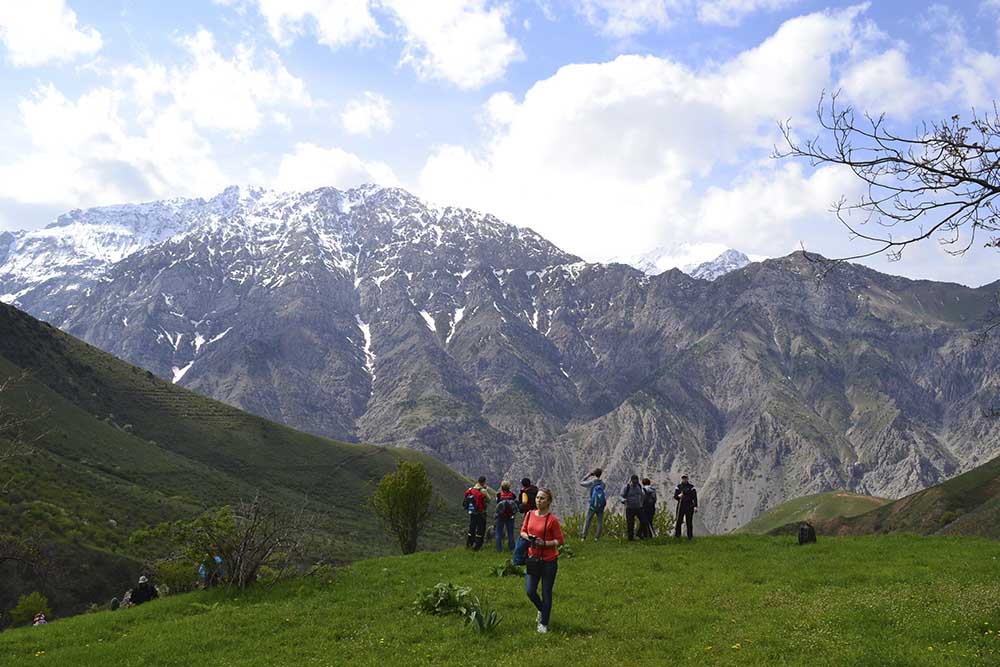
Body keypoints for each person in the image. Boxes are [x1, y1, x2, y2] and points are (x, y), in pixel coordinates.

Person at [520, 488, 564, 633]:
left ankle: (544, 623)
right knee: (530, 590)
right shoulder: (529, 514)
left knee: (546, 592)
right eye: (538, 498)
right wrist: (530, 538)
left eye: (542, 498)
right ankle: (542, 609)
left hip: (549, 560)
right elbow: (523, 531)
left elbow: (560, 540)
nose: (539, 501)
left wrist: (545, 543)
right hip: (533, 558)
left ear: (549, 502)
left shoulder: (552, 520)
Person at [579, 468, 607, 540]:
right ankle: (597, 537)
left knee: (588, 520)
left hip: (592, 505)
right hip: (600, 505)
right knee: (599, 521)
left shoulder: (592, 483)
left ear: (594, 474)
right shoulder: (603, 484)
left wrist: (588, 475)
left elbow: (581, 482)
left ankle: (584, 536)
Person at [464, 476, 489, 551]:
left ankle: (469, 544)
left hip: (472, 512)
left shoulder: (471, 489)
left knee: (472, 527)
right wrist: (486, 490)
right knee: (480, 528)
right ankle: (478, 546)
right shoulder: (483, 490)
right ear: (483, 482)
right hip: (481, 512)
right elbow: (489, 499)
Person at [619, 474, 647, 541]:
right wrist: (623, 500)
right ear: (631, 481)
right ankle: (630, 538)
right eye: (634, 482)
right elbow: (620, 496)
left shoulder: (639, 486)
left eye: (636, 482)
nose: (635, 484)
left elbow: (642, 495)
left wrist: (642, 503)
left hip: (639, 507)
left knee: (644, 521)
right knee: (630, 523)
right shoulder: (627, 487)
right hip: (629, 508)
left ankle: (639, 533)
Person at [494, 480, 518, 552]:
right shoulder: (513, 495)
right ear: (509, 487)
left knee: (498, 533)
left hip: (500, 516)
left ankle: (499, 550)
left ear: (501, 487)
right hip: (510, 516)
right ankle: (512, 549)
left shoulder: (499, 495)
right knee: (510, 533)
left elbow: (497, 504)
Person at [673, 474, 699, 540]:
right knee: (679, 521)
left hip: (689, 505)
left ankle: (690, 536)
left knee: (689, 522)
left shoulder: (691, 487)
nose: (684, 479)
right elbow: (675, 496)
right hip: (680, 505)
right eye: (683, 478)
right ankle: (677, 536)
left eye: (685, 478)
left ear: (687, 479)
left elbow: (694, 497)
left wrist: (695, 506)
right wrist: (679, 496)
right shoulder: (678, 487)